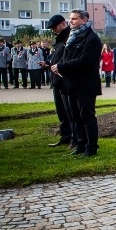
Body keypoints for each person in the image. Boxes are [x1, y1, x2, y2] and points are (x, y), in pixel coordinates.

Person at [51, 9, 103, 157]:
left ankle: (91, 148)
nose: (71, 21)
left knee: (87, 116)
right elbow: (66, 56)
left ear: (84, 20)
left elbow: (86, 61)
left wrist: (62, 66)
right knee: (75, 116)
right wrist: (57, 65)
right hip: (71, 83)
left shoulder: (91, 38)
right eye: (70, 19)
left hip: (85, 84)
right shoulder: (72, 36)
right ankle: (81, 144)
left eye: (74, 19)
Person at [44, 15, 75, 148]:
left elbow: (67, 58)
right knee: (61, 111)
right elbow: (57, 57)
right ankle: (65, 136)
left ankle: (74, 138)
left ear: (63, 24)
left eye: (54, 27)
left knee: (70, 112)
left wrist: (59, 66)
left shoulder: (69, 37)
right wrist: (47, 63)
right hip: (57, 79)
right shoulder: (60, 39)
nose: (53, 31)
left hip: (65, 80)